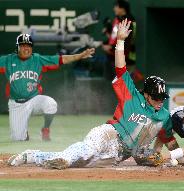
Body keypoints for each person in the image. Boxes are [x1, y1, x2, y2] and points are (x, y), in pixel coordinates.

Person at [8, 19, 173, 169]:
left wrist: (176, 157)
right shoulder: (132, 95)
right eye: (156, 97)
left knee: (78, 162)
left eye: (162, 98)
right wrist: (120, 41)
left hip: (116, 157)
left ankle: (31, 155)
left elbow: (167, 142)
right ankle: (64, 159)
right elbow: (121, 68)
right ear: (146, 94)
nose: (160, 101)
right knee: (85, 151)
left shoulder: (164, 117)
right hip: (109, 135)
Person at [0, 34, 95, 141]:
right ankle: (23, 132)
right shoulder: (7, 60)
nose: (26, 48)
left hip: (34, 100)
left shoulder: (37, 59)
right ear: (17, 47)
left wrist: (79, 56)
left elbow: (61, 59)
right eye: (22, 45)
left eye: (29, 46)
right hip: (16, 104)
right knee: (18, 138)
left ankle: (45, 128)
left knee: (51, 104)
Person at [102, 0, 143, 83]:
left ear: (122, 8)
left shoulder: (128, 21)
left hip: (124, 58)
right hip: (114, 57)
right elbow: (114, 38)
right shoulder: (119, 20)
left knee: (124, 85)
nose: (114, 9)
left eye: (116, 7)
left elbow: (126, 42)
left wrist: (111, 48)